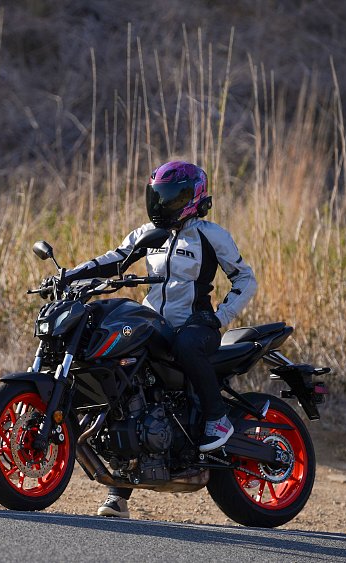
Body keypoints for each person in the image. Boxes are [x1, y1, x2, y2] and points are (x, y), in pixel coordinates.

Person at [62, 161, 257, 518]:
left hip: (196, 324)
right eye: (158, 195)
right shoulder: (148, 234)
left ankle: (218, 419)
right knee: (124, 381)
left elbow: (245, 279)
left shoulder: (211, 235)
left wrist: (220, 317)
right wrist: (72, 274)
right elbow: (116, 259)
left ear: (192, 198)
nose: (162, 203)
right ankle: (118, 491)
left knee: (186, 346)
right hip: (155, 323)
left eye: (171, 196)